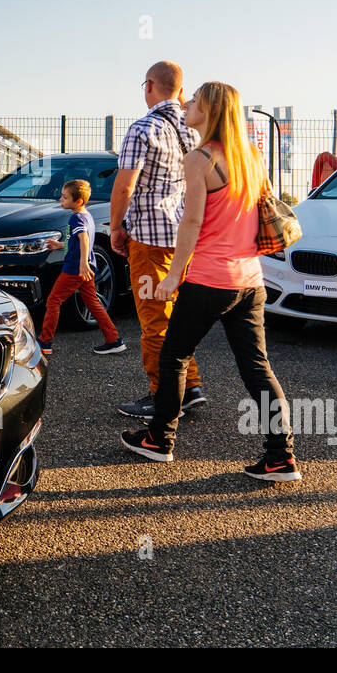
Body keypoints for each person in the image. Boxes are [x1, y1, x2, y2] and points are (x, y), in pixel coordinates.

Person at [120, 81, 300, 482]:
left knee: (173, 355)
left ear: (211, 111)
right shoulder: (250, 157)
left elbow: (192, 222)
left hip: (209, 279)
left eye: (195, 101)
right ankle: (280, 457)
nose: (186, 104)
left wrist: (171, 275)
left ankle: (159, 439)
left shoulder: (199, 159)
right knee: (256, 367)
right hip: (250, 280)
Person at [110, 61, 205, 419]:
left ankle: (163, 396)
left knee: (154, 321)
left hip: (149, 239)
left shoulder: (142, 129)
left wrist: (116, 227)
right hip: (184, 238)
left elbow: (125, 185)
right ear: (180, 91)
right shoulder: (194, 131)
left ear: (149, 86)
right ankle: (190, 386)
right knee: (179, 315)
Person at [39, 180, 126, 356]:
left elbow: (84, 239)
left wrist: (82, 263)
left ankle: (45, 342)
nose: (61, 199)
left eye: (64, 197)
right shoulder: (86, 215)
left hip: (75, 269)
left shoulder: (76, 217)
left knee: (53, 301)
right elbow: (75, 241)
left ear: (77, 201)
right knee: (93, 303)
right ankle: (114, 339)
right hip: (86, 267)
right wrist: (59, 245)